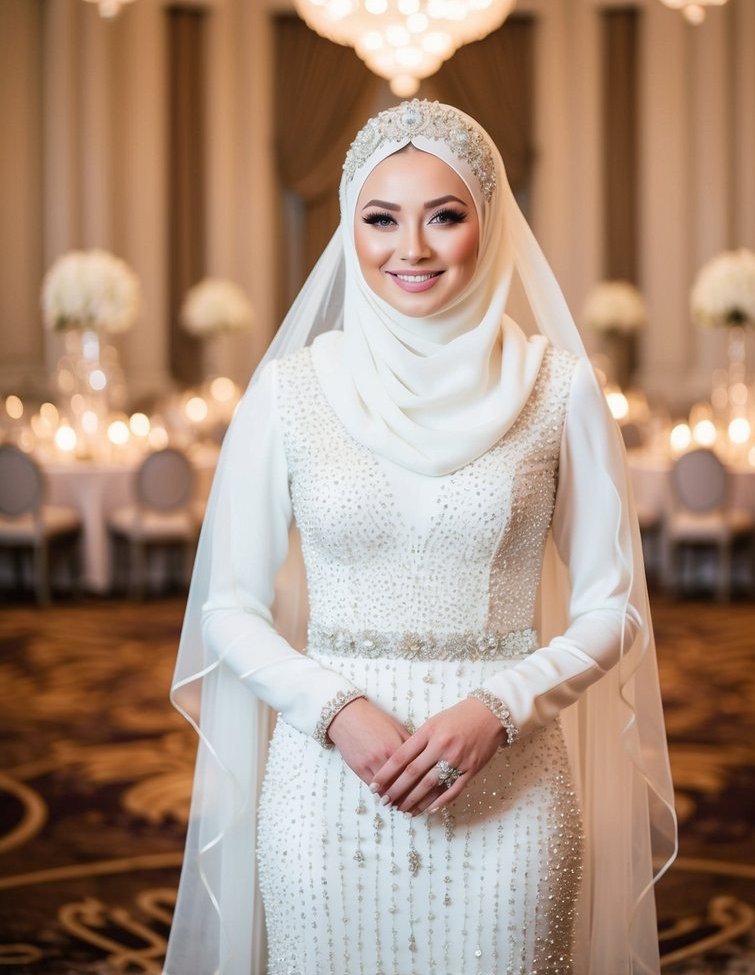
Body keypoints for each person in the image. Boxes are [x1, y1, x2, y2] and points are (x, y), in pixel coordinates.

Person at [164, 99, 676, 975]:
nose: (412, 248)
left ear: (489, 222)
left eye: (444, 215)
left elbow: (614, 608)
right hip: (324, 783)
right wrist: (335, 714)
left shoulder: (560, 389)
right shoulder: (288, 392)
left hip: (510, 785)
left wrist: (501, 709)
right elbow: (229, 607)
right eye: (380, 218)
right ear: (347, 229)